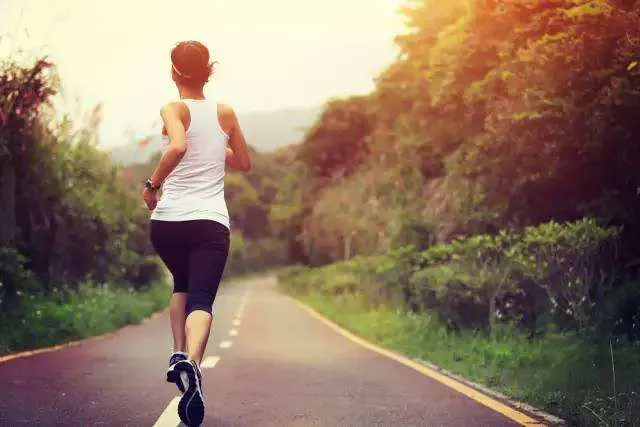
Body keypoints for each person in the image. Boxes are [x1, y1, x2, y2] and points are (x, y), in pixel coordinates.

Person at [142, 40, 251, 427]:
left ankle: (177, 354)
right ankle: (192, 362)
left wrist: (152, 185)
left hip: (167, 223)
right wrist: (216, 147)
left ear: (174, 72)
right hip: (208, 222)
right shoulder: (226, 112)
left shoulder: (173, 108)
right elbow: (244, 162)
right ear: (210, 70)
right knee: (201, 297)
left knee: (181, 284)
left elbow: (177, 146)